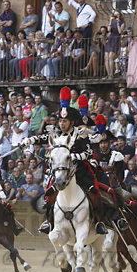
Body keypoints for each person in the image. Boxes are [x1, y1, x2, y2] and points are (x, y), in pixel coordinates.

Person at [23, 87, 110, 235]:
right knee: (49, 192)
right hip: (62, 170)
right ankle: (49, 221)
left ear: (71, 122)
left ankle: (98, 221)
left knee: (94, 191)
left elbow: (89, 153)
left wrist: (74, 157)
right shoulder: (56, 133)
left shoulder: (80, 134)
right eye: (60, 120)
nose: (62, 124)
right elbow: (42, 138)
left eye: (65, 121)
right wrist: (29, 140)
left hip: (81, 170)